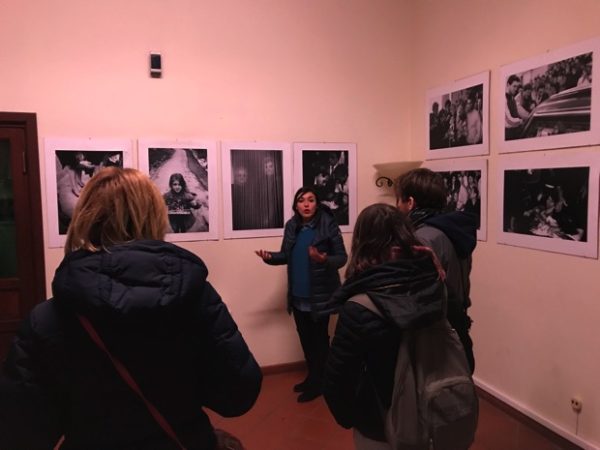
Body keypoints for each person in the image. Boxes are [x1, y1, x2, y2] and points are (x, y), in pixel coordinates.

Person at [0, 167, 262, 450]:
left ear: (85, 217)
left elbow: (22, 431)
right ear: (155, 216)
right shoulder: (195, 298)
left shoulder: (47, 320)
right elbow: (238, 393)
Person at [323, 203, 446, 449]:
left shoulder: (359, 305)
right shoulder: (435, 287)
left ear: (362, 243)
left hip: (378, 421)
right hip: (433, 407)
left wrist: (350, 418)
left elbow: (338, 378)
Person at [255, 186, 347, 402]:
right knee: (306, 340)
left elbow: (342, 257)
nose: (306, 204)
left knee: (319, 341)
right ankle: (313, 378)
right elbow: (286, 255)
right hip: (297, 296)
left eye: (311, 200)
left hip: (320, 296)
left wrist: (324, 259)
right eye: (301, 200)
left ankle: (320, 383)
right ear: (295, 205)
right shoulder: (292, 226)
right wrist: (270, 257)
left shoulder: (328, 224)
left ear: (317, 203)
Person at [394, 168, 477, 373]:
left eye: (399, 200)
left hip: (433, 333)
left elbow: (414, 297)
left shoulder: (422, 239)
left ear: (410, 202)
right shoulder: (455, 230)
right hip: (456, 325)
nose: (397, 207)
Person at [505, 74, 524, 140]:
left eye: (517, 87)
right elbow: (508, 121)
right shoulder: (504, 98)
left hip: (514, 132)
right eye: (514, 86)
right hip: (508, 135)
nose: (516, 89)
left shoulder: (512, 98)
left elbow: (516, 114)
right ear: (508, 85)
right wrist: (520, 121)